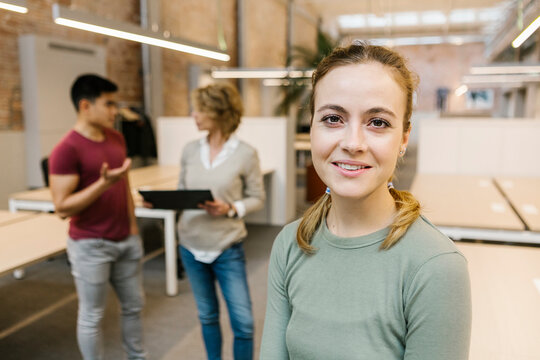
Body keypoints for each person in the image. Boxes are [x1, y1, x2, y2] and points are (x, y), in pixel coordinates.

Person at [260, 42, 472, 359]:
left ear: (403, 138)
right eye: (333, 118)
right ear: (312, 127)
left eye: (378, 122)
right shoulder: (290, 243)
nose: (353, 143)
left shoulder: (436, 267)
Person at [49, 74, 146, 360]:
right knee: (92, 316)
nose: (115, 111)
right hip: (91, 245)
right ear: (85, 106)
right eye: (109, 104)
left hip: (126, 240)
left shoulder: (116, 138)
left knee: (134, 307)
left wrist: (133, 229)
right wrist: (103, 184)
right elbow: (62, 207)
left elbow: (124, 186)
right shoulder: (66, 150)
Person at [174, 82, 265, 360]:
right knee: (207, 315)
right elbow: (181, 191)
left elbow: (257, 197)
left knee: (244, 324)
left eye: (200, 109)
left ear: (218, 112)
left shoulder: (245, 153)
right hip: (190, 244)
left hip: (227, 247)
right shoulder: (190, 150)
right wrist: (161, 201)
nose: (194, 115)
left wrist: (230, 207)